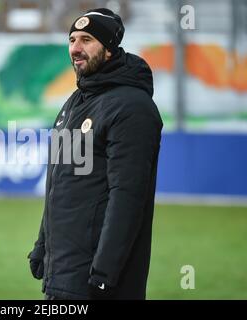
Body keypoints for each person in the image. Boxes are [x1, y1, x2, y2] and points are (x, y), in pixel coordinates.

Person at [28, 8, 163, 300]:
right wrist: (43, 246)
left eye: (87, 39)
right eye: (72, 39)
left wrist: (104, 271)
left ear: (110, 49)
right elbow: (59, 185)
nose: (75, 48)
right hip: (63, 273)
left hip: (98, 281)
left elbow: (127, 196)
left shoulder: (132, 107)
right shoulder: (75, 103)